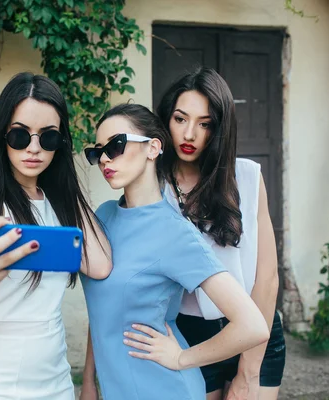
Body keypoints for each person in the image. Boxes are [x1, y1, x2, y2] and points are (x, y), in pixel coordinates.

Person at [80, 103, 269, 400]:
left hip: (163, 388)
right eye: (97, 151)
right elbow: (102, 311)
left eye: (116, 145)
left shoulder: (175, 233)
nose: (105, 158)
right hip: (115, 388)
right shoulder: (103, 216)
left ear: (153, 147)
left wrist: (183, 358)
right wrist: (89, 381)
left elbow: (253, 326)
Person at [0, 72, 112, 400]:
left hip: (55, 373)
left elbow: (101, 265)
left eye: (48, 138)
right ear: (2, 135)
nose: (34, 149)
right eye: (20, 136)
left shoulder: (57, 204)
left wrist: (67, 188)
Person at [157, 66, 286, 400]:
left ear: (220, 128)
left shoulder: (246, 177)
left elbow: (267, 277)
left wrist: (248, 372)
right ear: (166, 120)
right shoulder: (154, 188)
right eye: (180, 119)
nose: (189, 135)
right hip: (189, 333)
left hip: (256, 332)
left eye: (205, 124)